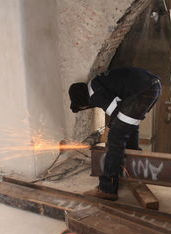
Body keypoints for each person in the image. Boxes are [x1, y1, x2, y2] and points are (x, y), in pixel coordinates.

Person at [69, 67, 162, 200]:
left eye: (82, 107)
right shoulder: (97, 83)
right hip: (153, 86)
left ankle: (107, 189)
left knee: (115, 138)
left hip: (143, 90)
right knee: (129, 128)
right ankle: (131, 171)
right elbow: (121, 113)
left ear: (82, 101)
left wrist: (111, 129)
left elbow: (116, 112)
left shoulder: (95, 94)